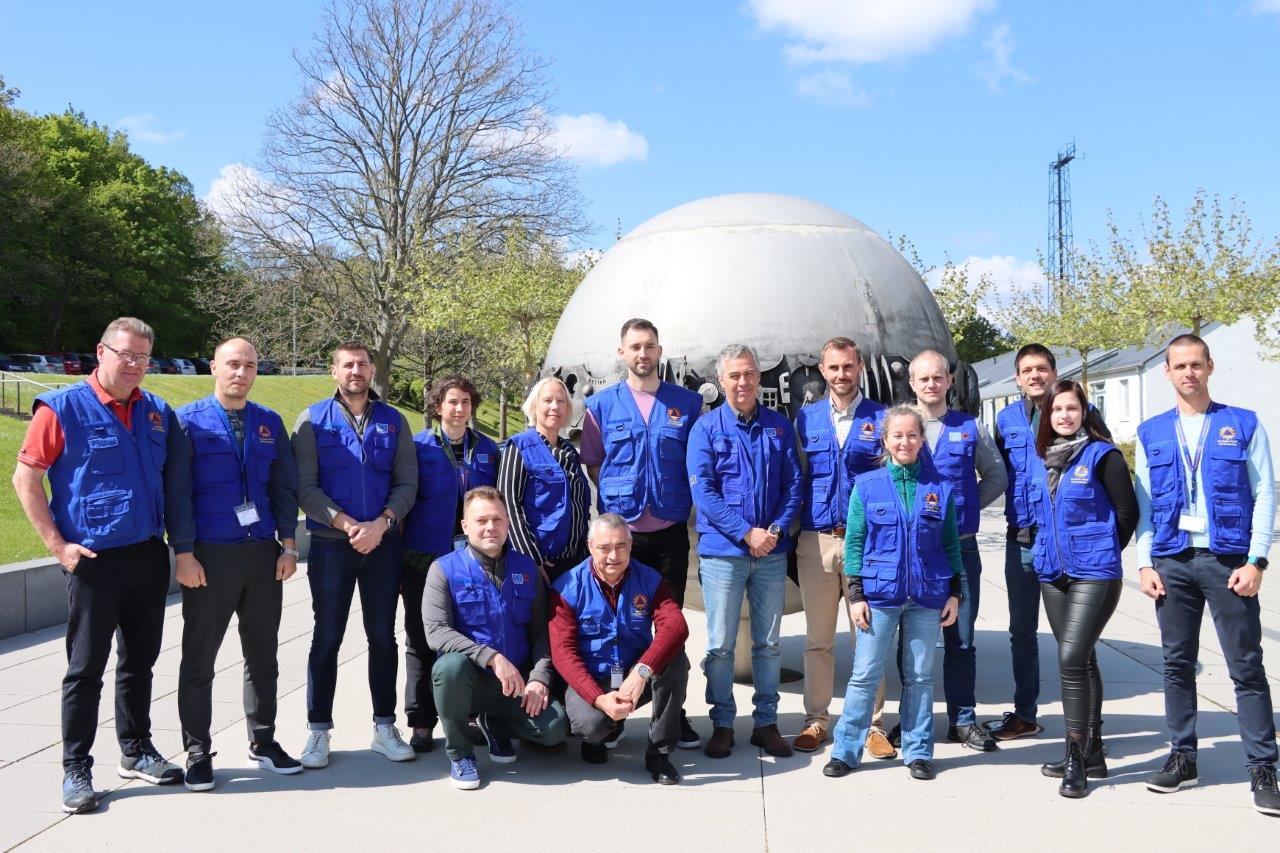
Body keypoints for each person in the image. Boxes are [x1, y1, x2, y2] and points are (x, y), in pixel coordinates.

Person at [12, 317, 185, 814]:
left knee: (139, 663)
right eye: (125, 354)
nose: (134, 366)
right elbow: (26, 479)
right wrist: (57, 546)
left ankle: (136, 751)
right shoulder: (62, 408)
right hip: (93, 560)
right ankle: (75, 768)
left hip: (148, 554)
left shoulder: (155, 412)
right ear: (100, 352)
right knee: (85, 669)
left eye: (143, 358)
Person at [1135, 334, 1279, 815]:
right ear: (1167, 373)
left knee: (1246, 667)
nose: (1189, 373)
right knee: (1177, 665)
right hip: (1173, 562)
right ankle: (1183, 757)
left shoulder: (1242, 424)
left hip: (1228, 563)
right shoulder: (1151, 432)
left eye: (1197, 364)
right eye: (1180, 366)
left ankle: (1263, 768)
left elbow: (1265, 496)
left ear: (1210, 368)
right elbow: (1146, 507)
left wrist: (1256, 561)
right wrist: (1144, 561)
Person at [168, 337, 304, 791]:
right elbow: (178, 494)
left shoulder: (268, 422)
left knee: (263, 655)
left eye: (249, 366)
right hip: (210, 554)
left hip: (263, 553)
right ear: (213, 368)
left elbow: (284, 488)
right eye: (232, 364)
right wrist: (183, 553)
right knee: (199, 658)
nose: (240, 373)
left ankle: (263, 741)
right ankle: (196, 751)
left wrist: (288, 546)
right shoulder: (187, 423)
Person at [293, 341, 419, 768]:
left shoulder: (394, 420)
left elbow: (407, 484)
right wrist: (348, 525)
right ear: (334, 371)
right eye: (347, 364)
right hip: (332, 547)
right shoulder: (312, 420)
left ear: (372, 370)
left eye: (363, 364)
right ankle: (318, 732)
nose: (356, 371)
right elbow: (305, 489)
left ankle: (385, 727)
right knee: (326, 638)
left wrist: (381, 524)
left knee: (383, 637)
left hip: (383, 546)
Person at [579, 317, 703, 750]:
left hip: (668, 530)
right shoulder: (601, 406)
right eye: (634, 347)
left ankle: (673, 715)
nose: (642, 354)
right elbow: (594, 463)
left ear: (659, 350)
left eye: (649, 346)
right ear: (621, 352)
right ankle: (611, 714)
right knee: (616, 625)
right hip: (621, 539)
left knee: (670, 625)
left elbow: (696, 462)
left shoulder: (686, 404)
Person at [824, 405, 962, 782]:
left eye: (912, 435)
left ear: (922, 439)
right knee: (865, 674)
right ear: (885, 440)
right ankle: (845, 749)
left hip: (927, 597)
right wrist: (855, 595)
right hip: (879, 596)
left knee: (919, 676)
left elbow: (950, 543)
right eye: (897, 435)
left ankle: (918, 751)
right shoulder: (866, 486)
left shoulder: (940, 487)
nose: (905, 441)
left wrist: (955, 592)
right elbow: (854, 544)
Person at [687, 343, 802, 759]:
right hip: (723, 554)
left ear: (759, 377)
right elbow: (705, 492)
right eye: (734, 375)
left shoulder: (778, 426)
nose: (742, 382)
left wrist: (771, 531)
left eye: (750, 373)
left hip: (770, 553)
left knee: (769, 645)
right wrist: (745, 533)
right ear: (721, 380)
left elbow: (793, 484)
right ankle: (721, 723)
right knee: (719, 645)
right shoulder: (706, 429)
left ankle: (766, 723)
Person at [1030, 380, 1136, 798]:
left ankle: (1075, 756)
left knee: (1070, 658)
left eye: (1072, 408)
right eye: (1057, 410)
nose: (1064, 416)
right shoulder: (1042, 458)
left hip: (1094, 572)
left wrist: (1100, 550)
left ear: (1084, 411)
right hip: (1052, 572)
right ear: (1048, 416)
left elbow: (1127, 512)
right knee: (1084, 658)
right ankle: (1094, 751)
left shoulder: (1102, 455)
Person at [423, 486, 569, 790]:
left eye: (498, 519)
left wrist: (540, 677)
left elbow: (542, 631)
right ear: (465, 526)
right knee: (448, 667)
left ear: (507, 523)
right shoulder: (443, 569)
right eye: (481, 521)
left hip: (514, 684)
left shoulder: (526, 568)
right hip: (469, 682)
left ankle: (496, 724)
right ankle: (461, 753)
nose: (491, 527)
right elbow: (436, 632)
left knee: (555, 729)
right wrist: (491, 657)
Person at [792, 336, 894, 757]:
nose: (841, 375)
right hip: (817, 540)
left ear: (860, 369)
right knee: (818, 640)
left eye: (848, 367)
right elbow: (795, 478)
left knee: (868, 636)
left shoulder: (883, 418)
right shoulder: (805, 420)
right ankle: (816, 720)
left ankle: (871, 725)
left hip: (866, 543)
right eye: (833, 368)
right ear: (822, 370)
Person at [905, 350, 1006, 753]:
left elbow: (997, 476)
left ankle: (963, 720)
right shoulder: (900, 426)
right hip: (913, 555)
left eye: (938, 377)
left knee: (961, 640)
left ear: (949, 381)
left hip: (960, 550)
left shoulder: (969, 428)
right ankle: (913, 720)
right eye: (923, 378)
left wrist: (962, 510)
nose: (931, 384)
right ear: (911, 383)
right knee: (911, 641)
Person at [550, 513, 691, 784]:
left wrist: (642, 671)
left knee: (676, 660)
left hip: (633, 675)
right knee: (590, 726)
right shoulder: (567, 587)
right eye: (604, 548)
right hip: (592, 678)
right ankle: (600, 735)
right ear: (590, 547)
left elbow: (676, 626)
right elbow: (563, 654)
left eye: (621, 546)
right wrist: (598, 698)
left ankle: (659, 752)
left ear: (630, 546)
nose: (613, 556)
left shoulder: (648, 579)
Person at [401, 375, 499, 753]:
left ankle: (468, 716)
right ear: (438, 407)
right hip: (423, 557)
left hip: (471, 561)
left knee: (471, 635)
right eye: (452, 402)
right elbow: (405, 501)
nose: (459, 409)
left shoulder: (488, 450)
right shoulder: (416, 447)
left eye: (466, 403)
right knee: (421, 639)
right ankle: (421, 721)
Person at [498, 376, 590, 583]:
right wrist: (531, 558)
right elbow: (509, 505)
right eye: (547, 401)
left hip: (575, 561)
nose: (555, 407)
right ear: (534, 407)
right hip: (541, 563)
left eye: (561, 401)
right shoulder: (519, 446)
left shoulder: (570, 452)